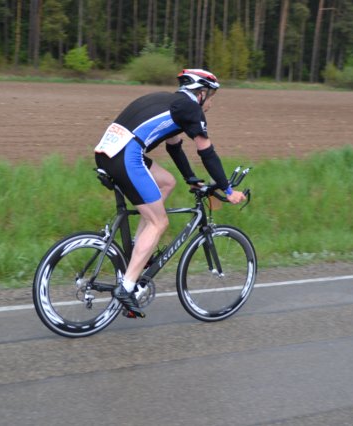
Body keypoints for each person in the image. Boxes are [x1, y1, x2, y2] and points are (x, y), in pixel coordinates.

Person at [94, 68, 246, 317]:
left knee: (166, 182)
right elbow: (206, 152)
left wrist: (191, 179)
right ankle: (127, 287)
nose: (211, 104)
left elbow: (174, 148)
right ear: (201, 93)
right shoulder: (191, 109)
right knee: (159, 222)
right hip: (127, 157)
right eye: (211, 97)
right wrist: (228, 190)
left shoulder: (168, 103)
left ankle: (138, 251)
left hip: (107, 153)